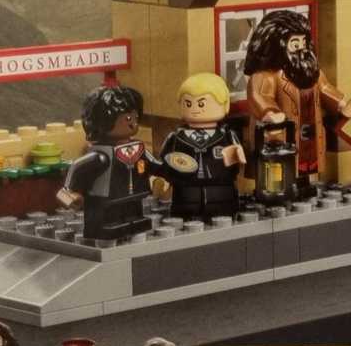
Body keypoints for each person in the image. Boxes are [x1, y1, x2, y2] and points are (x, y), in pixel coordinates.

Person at [243, 9, 351, 198]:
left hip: (310, 127)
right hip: (282, 132)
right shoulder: (266, 76)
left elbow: (325, 89)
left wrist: (342, 104)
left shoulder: (311, 72)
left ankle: (304, 185)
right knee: (282, 162)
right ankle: (280, 190)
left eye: (303, 42)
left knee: (306, 161)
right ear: (276, 45)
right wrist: (270, 112)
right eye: (294, 43)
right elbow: (260, 96)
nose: (301, 48)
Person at [58, 85, 155, 241]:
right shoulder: (101, 155)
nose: (133, 124)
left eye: (135, 117)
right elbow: (77, 167)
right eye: (127, 119)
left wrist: (165, 174)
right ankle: (108, 236)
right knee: (108, 226)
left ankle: (134, 229)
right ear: (104, 122)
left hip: (134, 198)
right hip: (104, 205)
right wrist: (68, 192)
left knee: (136, 220)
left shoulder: (138, 149)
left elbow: (154, 164)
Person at [156, 73, 246, 220]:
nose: (195, 109)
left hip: (221, 195)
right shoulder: (176, 138)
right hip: (186, 196)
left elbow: (239, 162)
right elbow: (164, 163)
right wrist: (164, 179)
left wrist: (235, 155)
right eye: (188, 104)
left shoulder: (227, 136)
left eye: (201, 104)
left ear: (224, 105)